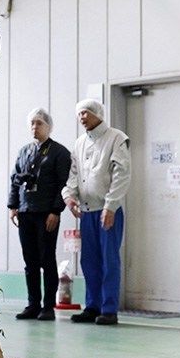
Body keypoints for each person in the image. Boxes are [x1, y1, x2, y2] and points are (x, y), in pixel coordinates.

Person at [63, 99, 131, 326]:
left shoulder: (116, 138)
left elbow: (122, 174)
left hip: (107, 210)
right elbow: (74, 174)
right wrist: (69, 196)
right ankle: (92, 306)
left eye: (86, 113)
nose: (82, 117)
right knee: (89, 261)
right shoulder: (80, 143)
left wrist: (111, 205)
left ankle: (109, 309)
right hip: (87, 212)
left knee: (109, 260)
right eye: (79, 114)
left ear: (97, 114)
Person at [8, 107, 72, 321]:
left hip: (46, 213)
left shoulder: (59, 153)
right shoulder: (24, 151)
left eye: (39, 123)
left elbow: (63, 184)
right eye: (32, 123)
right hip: (26, 211)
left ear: (49, 126)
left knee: (47, 259)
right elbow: (15, 179)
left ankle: (48, 307)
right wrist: (13, 206)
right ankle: (32, 304)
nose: (35, 127)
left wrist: (56, 210)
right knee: (30, 260)